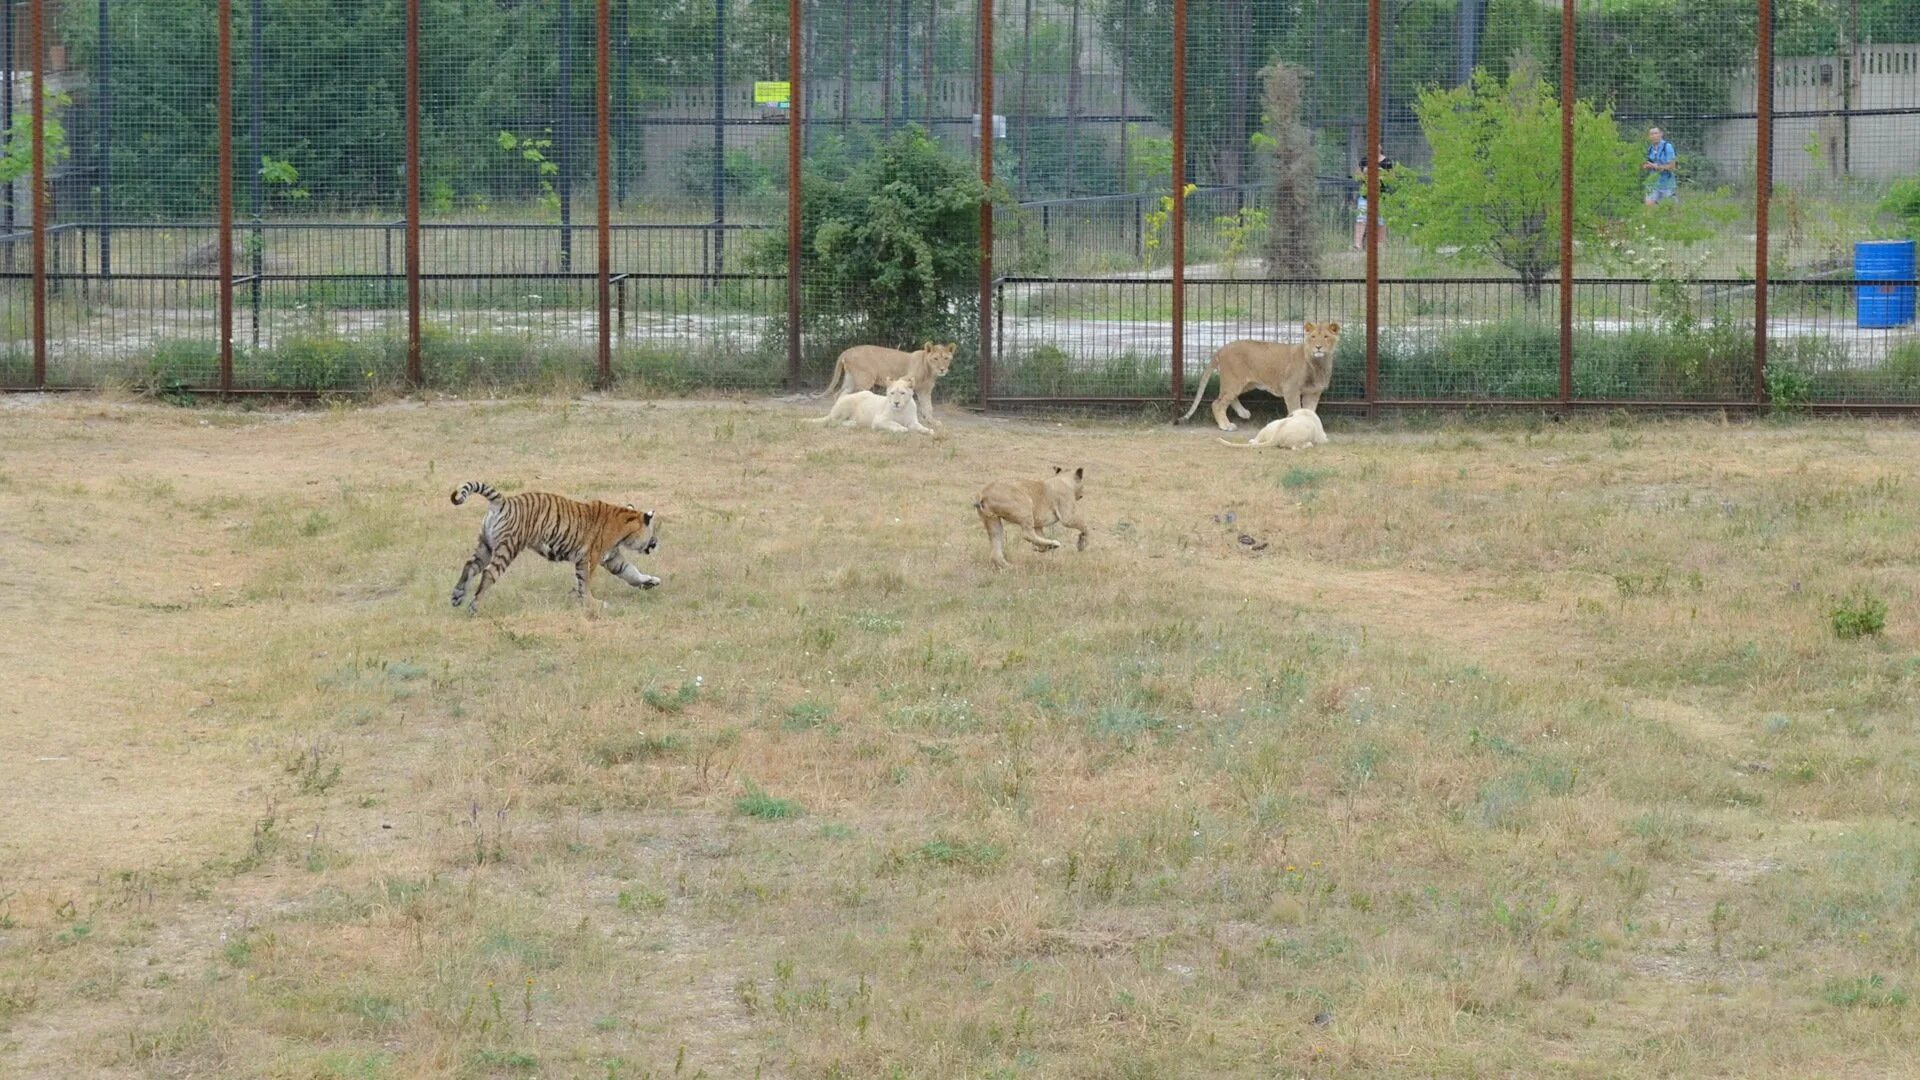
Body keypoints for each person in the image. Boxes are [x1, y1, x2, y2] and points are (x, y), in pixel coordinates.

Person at [1351, 153, 1396, 251]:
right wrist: (1365, 175)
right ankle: (1357, 245)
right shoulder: (1364, 160)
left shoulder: (1387, 162)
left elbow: (1392, 178)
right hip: (1365, 196)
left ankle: (1380, 246)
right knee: (1361, 220)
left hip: (1381, 196)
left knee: (1380, 221)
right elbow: (1357, 176)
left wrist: (1381, 176)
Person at [1642, 127, 1678, 206]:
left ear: (1661, 134)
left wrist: (1658, 167)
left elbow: (1673, 166)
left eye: (1656, 133)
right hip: (1652, 183)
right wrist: (1647, 166)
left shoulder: (1667, 147)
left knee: (1670, 209)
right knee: (1648, 207)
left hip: (1667, 183)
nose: (1654, 136)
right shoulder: (1650, 149)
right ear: (1649, 137)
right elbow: (1649, 162)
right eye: (1651, 134)